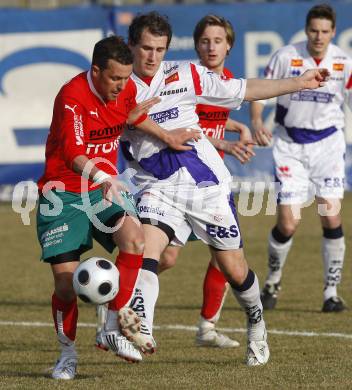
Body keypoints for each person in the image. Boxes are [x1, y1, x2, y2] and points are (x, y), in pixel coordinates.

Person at [117, 11, 328, 366]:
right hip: (155, 184)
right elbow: (103, 118)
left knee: (234, 268)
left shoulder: (187, 74)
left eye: (160, 49)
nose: (153, 57)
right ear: (131, 46)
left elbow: (244, 89)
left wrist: (299, 83)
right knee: (146, 254)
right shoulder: (119, 85)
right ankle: (142, 327)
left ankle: (257, 325)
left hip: (205, 183)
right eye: (146, 48)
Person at [36, 35, 200, 380]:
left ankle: (111, 325)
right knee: (65, 286)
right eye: (114, 78)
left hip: (103, 189)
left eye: (126, 78)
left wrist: (166, 136)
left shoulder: (123, 90)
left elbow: (130, 114)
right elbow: (72, 154)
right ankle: (67, 354)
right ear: (96, 71)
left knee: (136, 240)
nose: (122, 86)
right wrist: (102, 175)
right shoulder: (72, 98)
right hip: (62, 193)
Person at [157, 15, 256, 349]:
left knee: (223, 258)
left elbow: (210, 125)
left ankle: (207, 329)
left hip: (209, 184)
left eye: (217, 41)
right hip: (177, 179)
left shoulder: (224, 80)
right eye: (204, 41)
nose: (211, 47)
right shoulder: (186, 80)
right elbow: (187, 130)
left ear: (229, 45)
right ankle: (116, 294)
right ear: (196, 45)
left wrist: (237, 127)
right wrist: (227, 143)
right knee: (167, 257)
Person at [250, 3, 352, 312]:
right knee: (289, 223)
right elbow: (261, 91)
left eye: (324, 31)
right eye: (313, 30)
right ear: (306, 30)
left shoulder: (344, 62)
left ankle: (331, 293)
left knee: (331, 216)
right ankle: (273, 280)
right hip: (290, 145)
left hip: (328, 146)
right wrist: (256, 121)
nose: (318, 37)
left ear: (333, 32)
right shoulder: (285, 56)